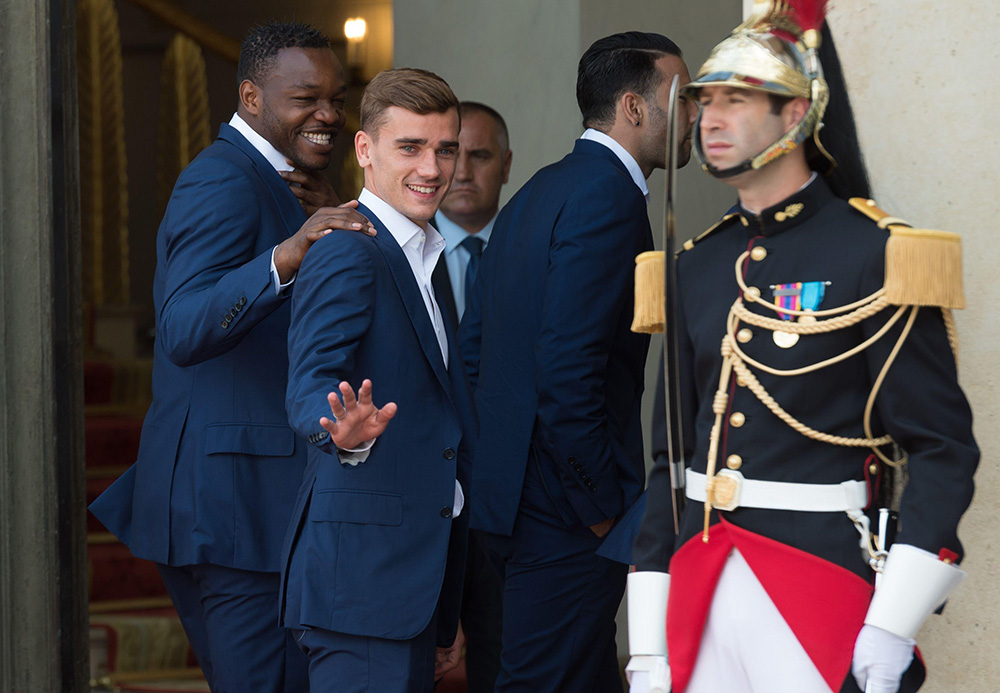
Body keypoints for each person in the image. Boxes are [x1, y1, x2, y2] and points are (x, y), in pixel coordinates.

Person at [627, 4, 979, 693]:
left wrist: (893, 622)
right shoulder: (694, 265)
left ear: (795, 117)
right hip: (701, 589)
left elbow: (942, 448)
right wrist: (645, 641)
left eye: (738, 101)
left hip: (817, 585)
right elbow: (670, 462)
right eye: (705, 103)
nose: (712, 120)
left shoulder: (877, 254)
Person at [88, 21, 373, 691]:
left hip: (262, 507)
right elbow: (182, 327)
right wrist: (287, 256)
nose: (328, 114)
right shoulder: (221, 179)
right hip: (237, 510)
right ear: (251, 96)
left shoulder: (296, 185)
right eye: (306, 97)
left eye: (336, 97)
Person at [458, 32, 696, 692]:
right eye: (685, 98)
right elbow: (568, 371)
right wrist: (602, 509)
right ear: (635, 107)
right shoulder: (606, 198)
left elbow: (475, 350)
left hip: (514, 501)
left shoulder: (539, 188)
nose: (699, 116)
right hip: (565, 514)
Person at [280, 67, 475, 693]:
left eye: (445, 148)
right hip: (364, 585)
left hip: (414, 581)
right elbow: (309, 382)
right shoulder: (347, 249)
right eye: (410, 147)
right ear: (365, 151)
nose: (433, 167)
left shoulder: (424, 253)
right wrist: (342, 432)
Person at [429, 100, 512, 693]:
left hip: (514, 503)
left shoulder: (532, 252)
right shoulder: (403, 254)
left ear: (506, 165)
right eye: (452, 153)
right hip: (431, 501)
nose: (461, 171)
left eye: (479, 155)